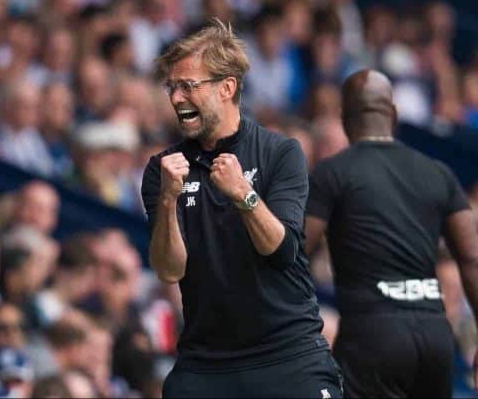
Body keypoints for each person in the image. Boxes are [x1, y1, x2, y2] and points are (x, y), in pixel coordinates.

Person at [141, 20, 342, 398]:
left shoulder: (280, 152)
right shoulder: (163, 170)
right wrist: (169, 200)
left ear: (227, 87)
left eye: (188, 86)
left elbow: (282, 252)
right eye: (172, 87)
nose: (176, 98)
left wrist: (244, 194)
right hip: (206, 364)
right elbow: (169, 270)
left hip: (287, 354)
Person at [305, 69, 478, 398]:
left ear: (345, 120)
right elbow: (471, 258)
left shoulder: (332, 173)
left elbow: (293, 255)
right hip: (433, 336)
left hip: (372, 334)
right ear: (394, 116)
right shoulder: (439, 173)